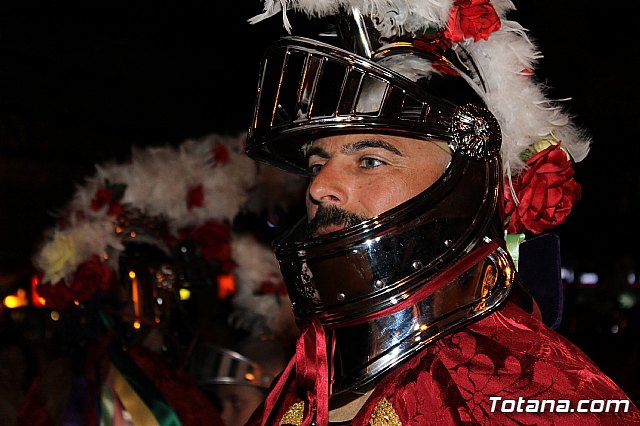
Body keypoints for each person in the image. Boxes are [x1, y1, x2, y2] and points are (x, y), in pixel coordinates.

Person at [242, 1, 640, 424]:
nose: (320, 188)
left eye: (371, 161)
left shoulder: (535, 392)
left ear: (462, 186)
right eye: (317, 165)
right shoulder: (306, 371)